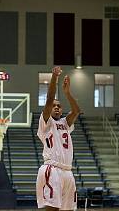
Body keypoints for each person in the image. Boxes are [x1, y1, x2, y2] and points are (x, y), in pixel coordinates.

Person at [36, 66, 81, 211]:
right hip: (52, 169)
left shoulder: (65, 123)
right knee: (52, 208)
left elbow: (76, 111)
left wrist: (67, 93)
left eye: (59, 106)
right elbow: (49, 99)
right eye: (54, 106)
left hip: (68, 171)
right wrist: (54, 77)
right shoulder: (46, 122)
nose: (56, 107)